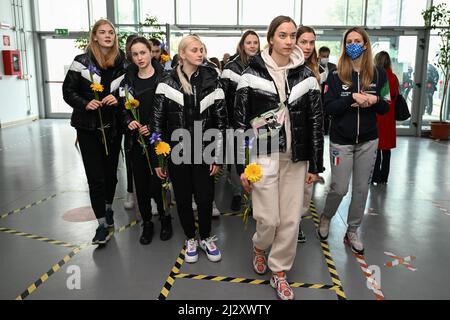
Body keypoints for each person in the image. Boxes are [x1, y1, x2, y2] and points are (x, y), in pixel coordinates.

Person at [235, 16, 323, 300]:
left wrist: (316, 165)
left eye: (292, 36)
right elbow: (239, 124)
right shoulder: (250, 74)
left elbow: (316, 123)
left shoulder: (307, 77)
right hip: (263, 157)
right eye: (282, 35)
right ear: (271, 38)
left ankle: (280, 271)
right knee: (268, 219)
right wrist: (242, 167)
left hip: (296, 159)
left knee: (290, 221)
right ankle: (259, 246)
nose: (288, 41)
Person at [152, 35, 228, 263]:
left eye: (202, 49)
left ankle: (205, 237)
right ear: (182, 54)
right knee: (183, 198)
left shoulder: (212, 79)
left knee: (205, 198)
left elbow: (221, 120)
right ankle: (190, 238)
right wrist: (159, 159)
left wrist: (217, 154)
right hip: (177, 150)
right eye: (194, 50)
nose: (200, 53)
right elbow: (157, 121)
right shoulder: (167, 81)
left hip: (204, 150)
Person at [317, 27, 389, 255]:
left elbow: (386, 106)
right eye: (349, 41)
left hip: (368, 140)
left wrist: (373, 99)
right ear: (344, 45)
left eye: (358, 40)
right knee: (339, 188)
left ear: (366, 44)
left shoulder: (379, 74)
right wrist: (351, 100)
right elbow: (328, 108)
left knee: (361, 189)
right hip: (342, 141)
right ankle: (326, 217)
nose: (353, 44)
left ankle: (353, 229)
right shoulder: (336, 75)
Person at [62, 19, 128, 245]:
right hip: (87, 128)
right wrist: (85, 103)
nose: (108, 36)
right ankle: (101, 224)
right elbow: (67, 92)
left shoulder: (123, 62)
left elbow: (130, 91)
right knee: (95, 177)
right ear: (95, 36)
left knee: (111, 174)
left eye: (111, 32)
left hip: (113, 128)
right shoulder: (81, 61)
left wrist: (118, 98)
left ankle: (108, 209)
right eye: (103, 32)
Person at [119, 37, 173, 244]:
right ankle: (147, 222)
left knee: (158, 183)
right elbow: (122, 108)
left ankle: (165, 217)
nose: (140, 58)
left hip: (158, 141)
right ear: (131, 57)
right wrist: (128, 121)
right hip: (136, 141)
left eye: (143, 52)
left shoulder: (165, 78)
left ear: (151, 52)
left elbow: (170, 110)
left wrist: (152, 125)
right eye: (135, 54)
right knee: (140, 185)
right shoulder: (127, 80)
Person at [221, 30, 261, 212]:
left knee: (256, 160)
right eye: (249, 42)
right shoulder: (230, 67)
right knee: (237, 159)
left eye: (255, 42)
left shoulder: (264, 66)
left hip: (258, 124)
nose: (252, 46)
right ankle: (238, 193)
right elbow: (221, 97)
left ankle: (254, 198)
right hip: (235, 123)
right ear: (242, 45)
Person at [295, 26, 324, 244]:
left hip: (308, 136)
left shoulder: (317, 70)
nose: (307, 47)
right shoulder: (284, 67)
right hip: (286, 137)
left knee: (306, 188)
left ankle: (296, 225)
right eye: (303, 41)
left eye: (311, 42)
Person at [372, 51, 399, 185]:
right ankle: (384, 177)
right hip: (389, 116)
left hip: (377, 114)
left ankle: (375, 176)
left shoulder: (375, 76)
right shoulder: (393, 77)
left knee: (375, 147)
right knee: (386, 149)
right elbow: (395, 95)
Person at [122, 34, 139, 210]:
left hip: (148, 124)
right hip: (130, 123)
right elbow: (123, 99)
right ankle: (130, 191)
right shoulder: (124, 69)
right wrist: (128, 119)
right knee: (130, 161)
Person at [318, 46, 337, 135]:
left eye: (327, 56)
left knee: (328, 112)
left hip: (330, 91)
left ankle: (326, 131)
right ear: (319, 55)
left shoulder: (333, 66)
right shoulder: (315, 66)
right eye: (323, 56)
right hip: (319, 91)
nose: (325, 58)